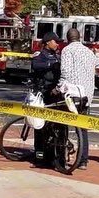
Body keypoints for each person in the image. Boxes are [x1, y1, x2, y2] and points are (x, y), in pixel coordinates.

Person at [58, 28, 99, 169]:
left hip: (72, 94)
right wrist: (98, 54)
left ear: (68, 38)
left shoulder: (67, 51)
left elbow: (65, 71)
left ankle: (61, 154)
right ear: (79, 37)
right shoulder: (88, 51)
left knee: (62, 123)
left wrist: (59, 87)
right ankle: (83, 160)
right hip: (87, 95)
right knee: (83, 128)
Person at [30, 32, 62, 164]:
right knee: (40, 125)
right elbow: (35, 66)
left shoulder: (58, 56)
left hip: (55, 93)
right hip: (43, 93)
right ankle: (39, 153)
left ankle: (53, 153)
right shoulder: (40, 55)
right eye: (55, 41)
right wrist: (50, 65)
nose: (57, 44)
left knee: (55, 125)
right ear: (48, 42)